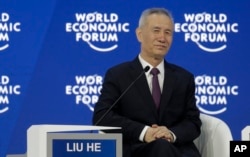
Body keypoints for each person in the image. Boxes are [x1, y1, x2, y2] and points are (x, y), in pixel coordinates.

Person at [93, 7, 202, 157]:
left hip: (176, 150)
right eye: (156, 30)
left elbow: (193, 122)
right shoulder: (118, 74)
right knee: (160, 148)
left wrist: (170, 133)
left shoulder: (184, 78)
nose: (162, 38)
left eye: (168, 32)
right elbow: (102, 116)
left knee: (164, 147)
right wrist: (145, 132)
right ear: (139, 34)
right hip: (136, 149)